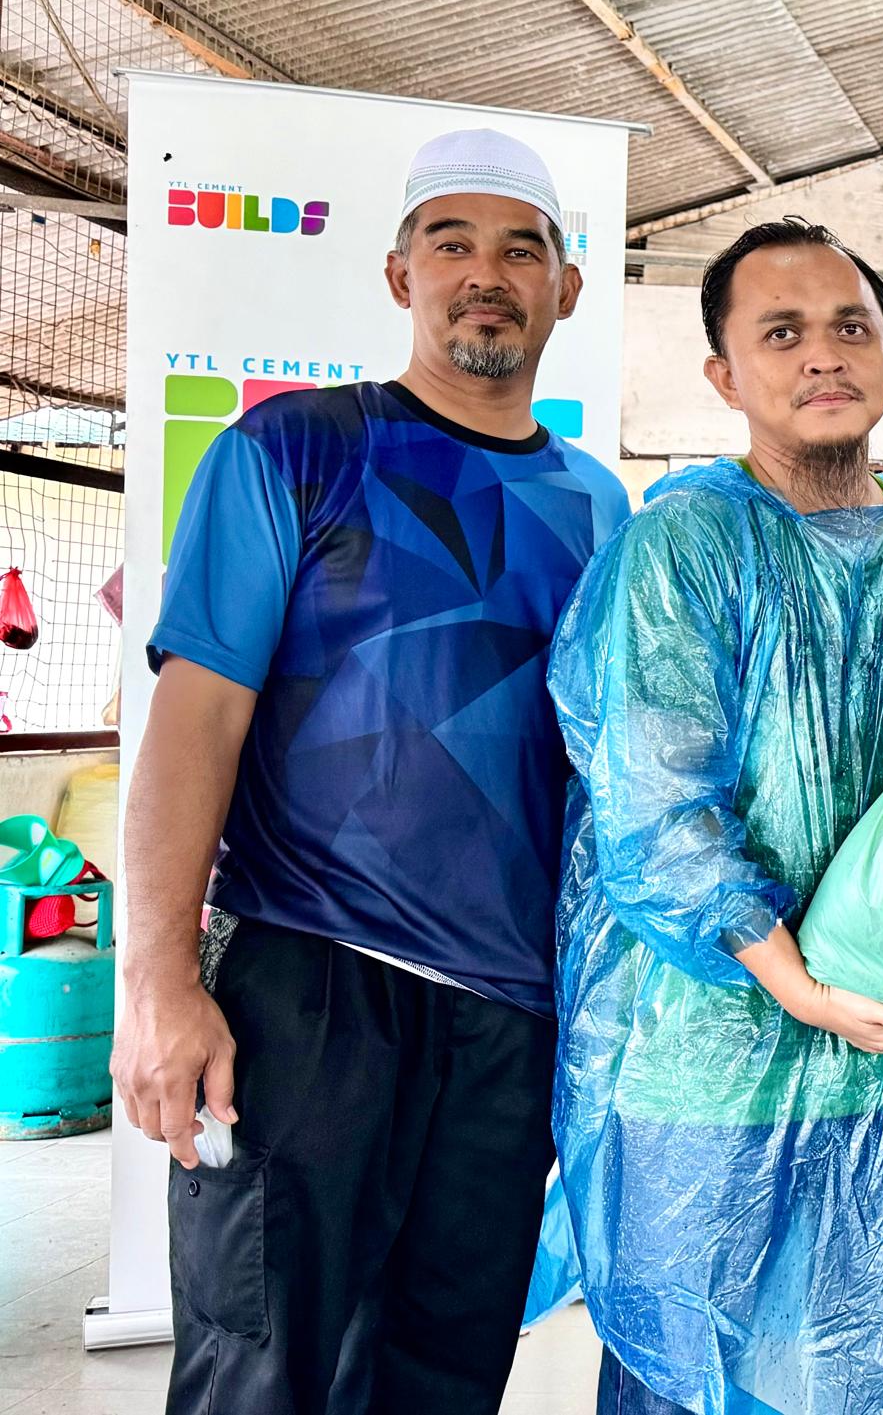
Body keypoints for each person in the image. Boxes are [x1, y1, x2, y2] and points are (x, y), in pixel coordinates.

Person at [114, 129, 628, 1415]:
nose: (486, 273)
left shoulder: (603, 513)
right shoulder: (290, 450)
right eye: (450, 242)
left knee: (445, 1377)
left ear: (568, 286)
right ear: (399, 274)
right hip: (309, 993)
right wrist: (159, 979)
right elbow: (194, 723)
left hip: (509, 1023)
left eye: (523, 248)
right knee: (261, 1373)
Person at [547, 218, 883, 1414]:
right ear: (724, 374)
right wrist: (797, 985)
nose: (823, 355)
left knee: (864, 1374)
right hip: (707, 1063)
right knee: (694, 1384)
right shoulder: (682, 545)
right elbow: (653, 807)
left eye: (851, 326)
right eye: (781, 332)